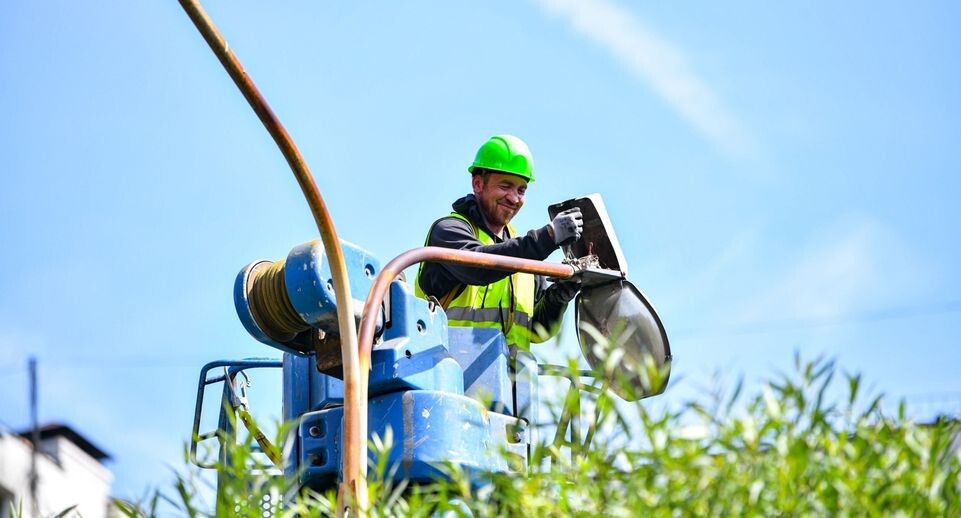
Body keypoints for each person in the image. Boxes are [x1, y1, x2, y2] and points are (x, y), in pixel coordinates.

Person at [414, 135, 584, 350]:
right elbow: (478, 268)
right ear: (478, 183)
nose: (514, 198)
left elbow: (536, 331)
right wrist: (548, 237)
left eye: (521, 190)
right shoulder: (449, 231)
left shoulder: (523, 251)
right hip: (449, 375)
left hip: (513, 380)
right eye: (506, 186)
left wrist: (558, 297)